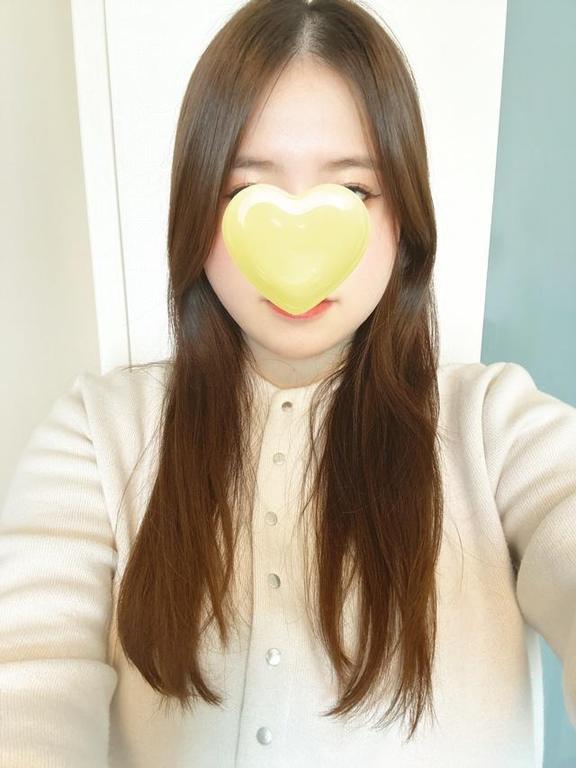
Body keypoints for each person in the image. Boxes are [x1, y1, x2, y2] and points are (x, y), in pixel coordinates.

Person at [1, 0, 575, 766]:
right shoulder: (97, 434)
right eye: (246, 194)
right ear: (196, 211)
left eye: (353, 192)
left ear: (404, 217)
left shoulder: (496, 427)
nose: (300, 249)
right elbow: (26, 679)